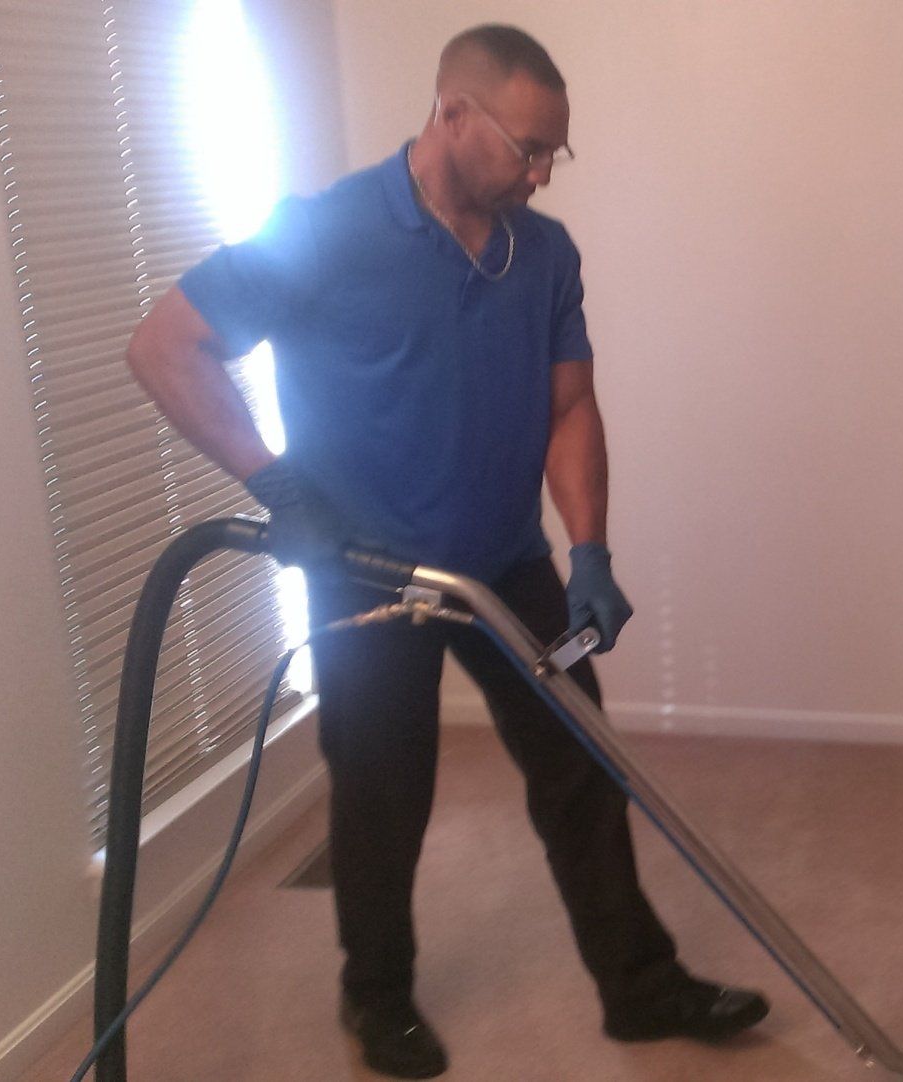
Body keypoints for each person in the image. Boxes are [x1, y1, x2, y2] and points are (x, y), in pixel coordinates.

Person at [124, 23, 767, 1080]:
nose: (543, 170)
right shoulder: (324, 233)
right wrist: (276, 485)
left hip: (507, 565)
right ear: (452, 114)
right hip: (370, 572)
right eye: (528, 147)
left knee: (581, 762)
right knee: (383, 791)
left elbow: (570, 405)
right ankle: (376, 998)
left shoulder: (543, 252)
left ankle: (639, 986)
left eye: (556, 151)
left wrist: (591, 550)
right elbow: (164, 345)